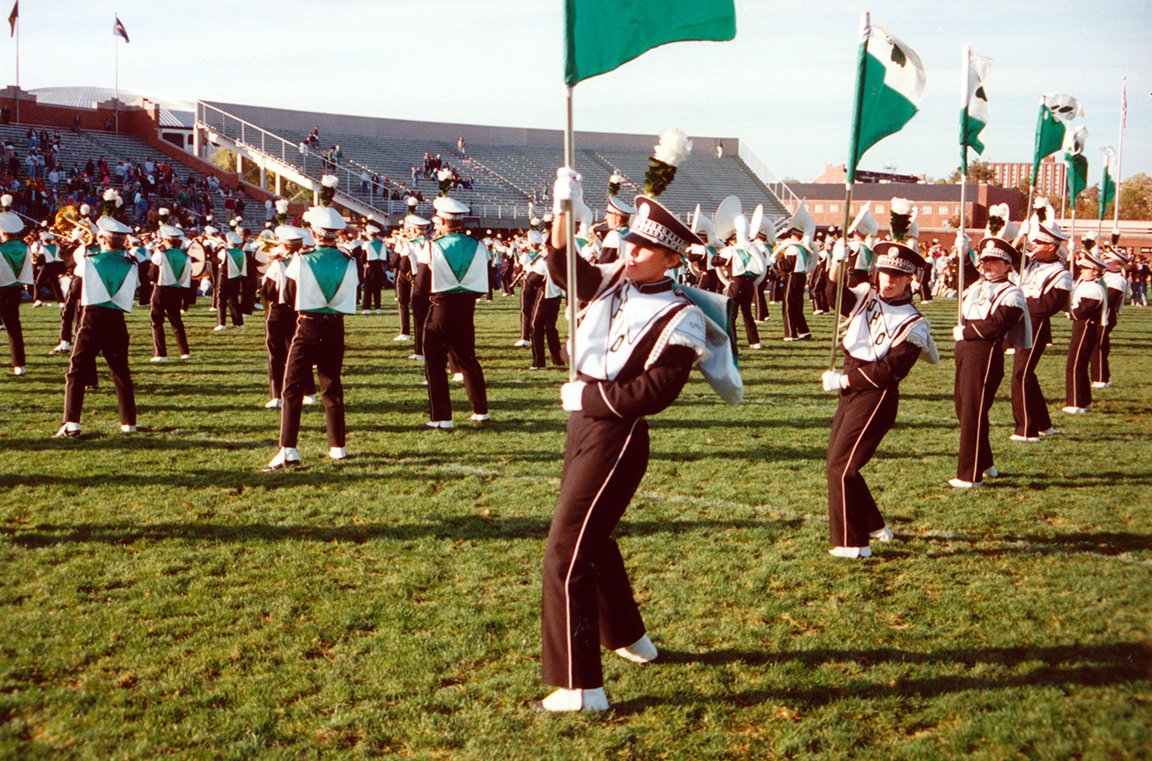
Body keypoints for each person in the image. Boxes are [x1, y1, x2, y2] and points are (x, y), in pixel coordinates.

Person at [535, 171, 742, 712]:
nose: (630, 251)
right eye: (630, 240)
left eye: (644, 247)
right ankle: (630, 637)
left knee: (566, 550)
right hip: (585, 425)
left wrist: (590, 399)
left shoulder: (683, 315)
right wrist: (565, 208)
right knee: (593, 538)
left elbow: (656, 391)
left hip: (618, 432)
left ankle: (581, 688)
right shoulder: (610, 279)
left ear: (671, 259)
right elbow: (562, 268)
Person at [822, 237, 936, 558]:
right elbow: (833, 297)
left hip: (877, 395)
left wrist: (846, 379)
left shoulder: (915, 323)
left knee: (841, 467)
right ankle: (874, 525)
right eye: (884, 273)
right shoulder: (864, 294)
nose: (888, 280)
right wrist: (836, 264)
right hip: (852, 385)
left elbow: (891, 370)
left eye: (896, 276)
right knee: (838, 462)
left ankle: (853, 543)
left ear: (909, 278)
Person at [264, 177, 357, 471]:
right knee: (332, 385)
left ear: (314, 232)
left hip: (307, 326)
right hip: (336, 327)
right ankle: (337, 447)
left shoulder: (300, 259)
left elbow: (289, 297)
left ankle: (288, 449)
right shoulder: (349, 260)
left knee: (291, 388)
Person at [55, 197, 138, 437]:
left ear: (101, 238)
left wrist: (78, 241)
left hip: (92, 319)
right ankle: (128, 423)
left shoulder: (88, 259)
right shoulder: (131, 263)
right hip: (117, 320)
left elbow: (68, 259)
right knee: (120, 371)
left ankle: (71, 422)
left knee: (76, 370)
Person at [950, 236, 1029, 488]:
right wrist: (963, 253)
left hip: (985, 353)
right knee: (964, 408)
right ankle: (984, 461)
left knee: (973, 410)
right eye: (985, 260)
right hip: (966, 350)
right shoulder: (979, 284)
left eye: (995, 261)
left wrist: (966, 333)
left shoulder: (1012, 293)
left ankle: (969, 475)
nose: (988, 265)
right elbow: (963, 276)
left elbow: (997, 325)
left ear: (1008, 266)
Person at [422, 195, 489, 428]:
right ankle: (480, 410)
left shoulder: (432, 246)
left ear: (441, 220)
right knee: (468, 359)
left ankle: (442, 417)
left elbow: (421, 286)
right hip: (466, 309)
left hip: (441, 307)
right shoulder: (479, 245)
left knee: (435, 363)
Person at [1009, 218, 1071, 441]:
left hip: (1035, 327)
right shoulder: (1033, 261)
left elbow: (1046, 306)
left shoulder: (1061, 274)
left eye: (1038, 242)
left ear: (1052, 246)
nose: (1033, 245)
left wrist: (1019, 301)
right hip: (1021, 323)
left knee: (1020, 375)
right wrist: (1019, 237)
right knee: (1027, 374)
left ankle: (1027, 428)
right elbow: (1008, 257)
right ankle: (1044, 423)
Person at [260, 224, 316, 410]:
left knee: (276, 353)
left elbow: (267, 290)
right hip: (301, 310)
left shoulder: (278, 263)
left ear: (284, 245)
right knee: (300, 352)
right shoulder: (308, 261)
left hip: (279, 310)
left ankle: (277, 395)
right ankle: (309, 392)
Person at [1064, 247, 1108, 415]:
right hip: (1083, 327)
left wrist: (1070, 313)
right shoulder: (1087, 284)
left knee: (1075, 365)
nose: (1082, 270)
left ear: (1096, 272)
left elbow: (1082, 311)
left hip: (1086, 327)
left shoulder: (1093, 289)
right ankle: (1085, 401)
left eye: (1086, 268)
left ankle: (1075, 403)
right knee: (1079, 364)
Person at [148, 225, 192, 362]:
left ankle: (161, 354)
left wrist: (157, 250)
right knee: (176, 322)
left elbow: (152, 274)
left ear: (166, 240)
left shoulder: (161, 254)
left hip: (161, 289)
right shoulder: (186, 256)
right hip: (177, 290)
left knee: (157, 322)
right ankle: (184, 352)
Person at [1090, 241, 1128, 389]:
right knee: (1099, 344)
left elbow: (1109, 299)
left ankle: (1100, 378)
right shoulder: (1106, 276)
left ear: (1117, 264)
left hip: (1106, 314)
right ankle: (1103, 376)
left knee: (1098, 345)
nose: (1105, 261)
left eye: (1108, 259)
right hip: (1099, 313)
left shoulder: (1118, 280)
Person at [0, 196, 32, 375]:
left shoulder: (1, 249)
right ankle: (19, 364)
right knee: (14, 326)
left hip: (2, 288)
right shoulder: (24, 247)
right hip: (15, 289)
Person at [775, 204, 814, 341]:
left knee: (788, 305)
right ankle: (804, 331)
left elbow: (787, 266)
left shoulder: (792, 248)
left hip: (792, 276)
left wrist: (776, 262)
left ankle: (790, 334)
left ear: (793, 235)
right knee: (797, 305)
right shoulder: (803, 248)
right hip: (801, 276)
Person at [215, 231, 246, 330]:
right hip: (236, 278)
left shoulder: (225, 252)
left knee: (221, 299)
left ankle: (221, 323)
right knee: (234, 300)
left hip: (224, 277)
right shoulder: (242, 252)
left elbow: (215, 259)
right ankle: (239, 323)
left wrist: (219, 247)